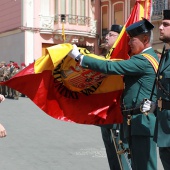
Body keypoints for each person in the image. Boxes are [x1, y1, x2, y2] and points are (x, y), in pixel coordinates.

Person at [68, 18, 159, 170]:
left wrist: (80, 58)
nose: (129, 43)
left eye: (132, 40)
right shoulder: (145, 58)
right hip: (135, 121)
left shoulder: (143, 60)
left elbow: (112, 66)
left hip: (142, 122)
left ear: (145, 39)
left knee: (144, 166)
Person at [140, 10, 170, 170]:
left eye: (166, 24)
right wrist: (155, 106)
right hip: (164, 127)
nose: (160, 27)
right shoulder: (165, 55)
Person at [99, 24, 129, 170]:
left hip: (117, 113)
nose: (106, 37)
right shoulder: (106, 57)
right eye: (107, 34)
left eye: (111, 34)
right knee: (111, 152)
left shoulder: (123, 58)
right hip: (105, 114)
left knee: (121, 152)